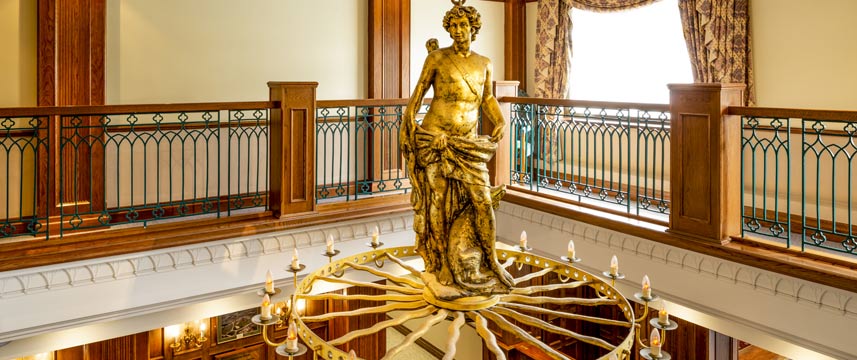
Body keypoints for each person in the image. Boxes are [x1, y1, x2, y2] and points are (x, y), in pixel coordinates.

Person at [400, 1, 511, 299]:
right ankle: (443, 263)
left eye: (463, 25)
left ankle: (491, 260)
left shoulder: (484, 63)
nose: (458, 30)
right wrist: (413, 129)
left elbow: (487, 99)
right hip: (436, 139)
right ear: (448, 29)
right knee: (437, 201)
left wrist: (500, 119)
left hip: (467, 143)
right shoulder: (437, 58)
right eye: (454, 26)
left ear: (474, 28)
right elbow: (417, 96)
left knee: (483, 201)